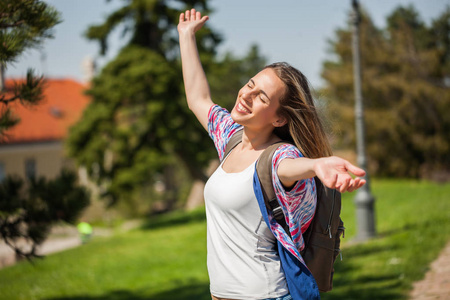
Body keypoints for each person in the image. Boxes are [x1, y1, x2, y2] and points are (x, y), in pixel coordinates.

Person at [178, 9, 366, 300]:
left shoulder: (278, 155)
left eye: (262, 97)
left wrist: (316, 166)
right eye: (250, 85)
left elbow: (288, 167)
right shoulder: (231, 138)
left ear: (279, 119)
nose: (246, 95)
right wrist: (186, 36)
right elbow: (197, 98)